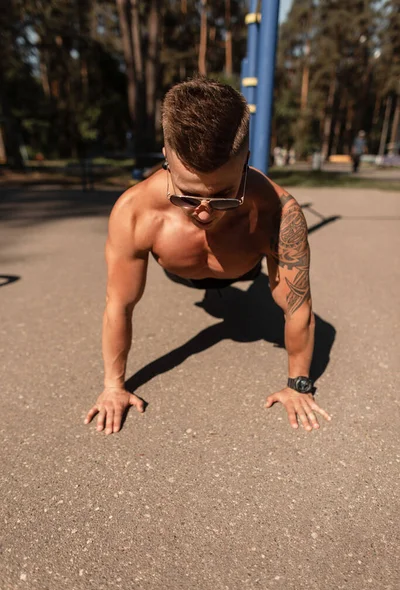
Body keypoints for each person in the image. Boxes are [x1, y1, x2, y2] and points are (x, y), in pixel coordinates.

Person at [84, 77, 331, 435]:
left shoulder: (279, 211)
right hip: (179, 270)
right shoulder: (134, 211)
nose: (202, 213)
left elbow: (299, 308)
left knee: (257, 291)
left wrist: (299, 386)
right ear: (166, 156)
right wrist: (113, 387)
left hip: (243, 268)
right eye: (186, 195)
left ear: (246, 160)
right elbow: (118, 305)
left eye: (223, 196)